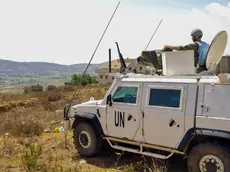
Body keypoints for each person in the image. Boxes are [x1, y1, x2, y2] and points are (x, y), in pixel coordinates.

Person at [137, 29, 210, 73]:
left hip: (195, 68)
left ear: (198, 36)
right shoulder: (206, 45)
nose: (192, 38)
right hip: (202, 67)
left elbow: (181, 48)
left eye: (193, 36)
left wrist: (167, 46)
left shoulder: (195, 45)